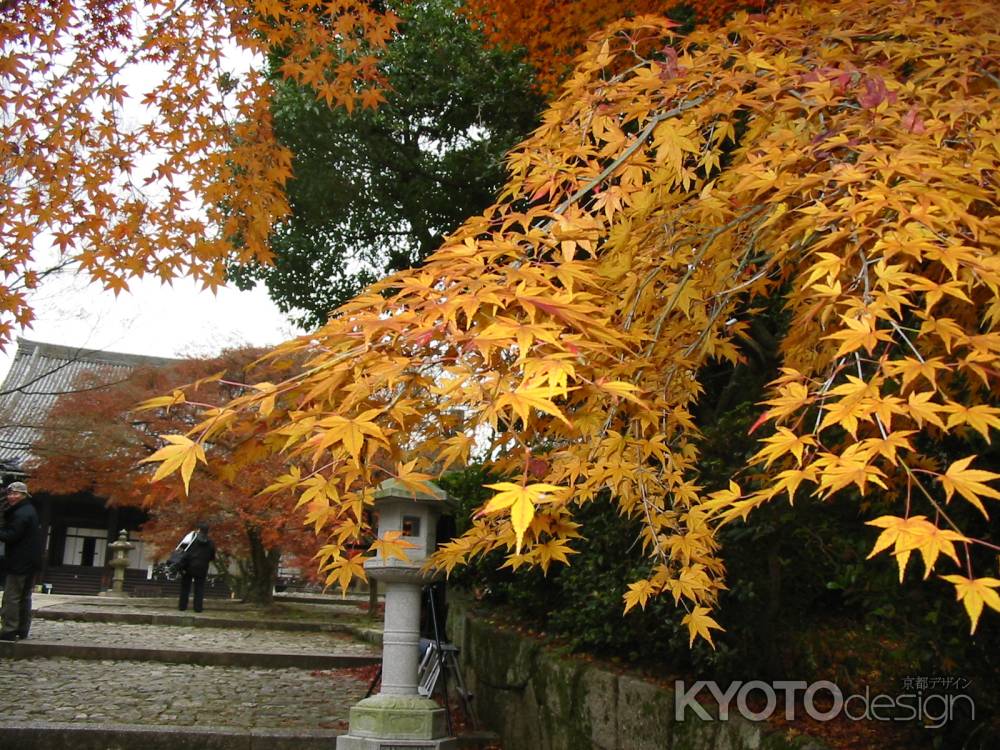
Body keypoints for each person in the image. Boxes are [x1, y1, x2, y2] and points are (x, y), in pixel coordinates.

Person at [0, 481, 42, 640]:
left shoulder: (21, 513)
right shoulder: (28, 510)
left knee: (12, 596)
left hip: (19, 561)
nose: (12, 496)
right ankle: (22, 628)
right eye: (10, 493)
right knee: (24, 596)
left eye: (16, 493)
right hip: (30, 561)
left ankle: (9, 629)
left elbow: (11, 535)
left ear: (24, 495)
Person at [178, 522, 215, 613]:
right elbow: (212, 556)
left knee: (185, 587)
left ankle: (182, 606)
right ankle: (198, 608)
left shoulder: (191, 539)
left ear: (198, 529)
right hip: (202, 567)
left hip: (188, 566)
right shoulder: (211, 542)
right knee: (199, 588)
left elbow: (182, 550)